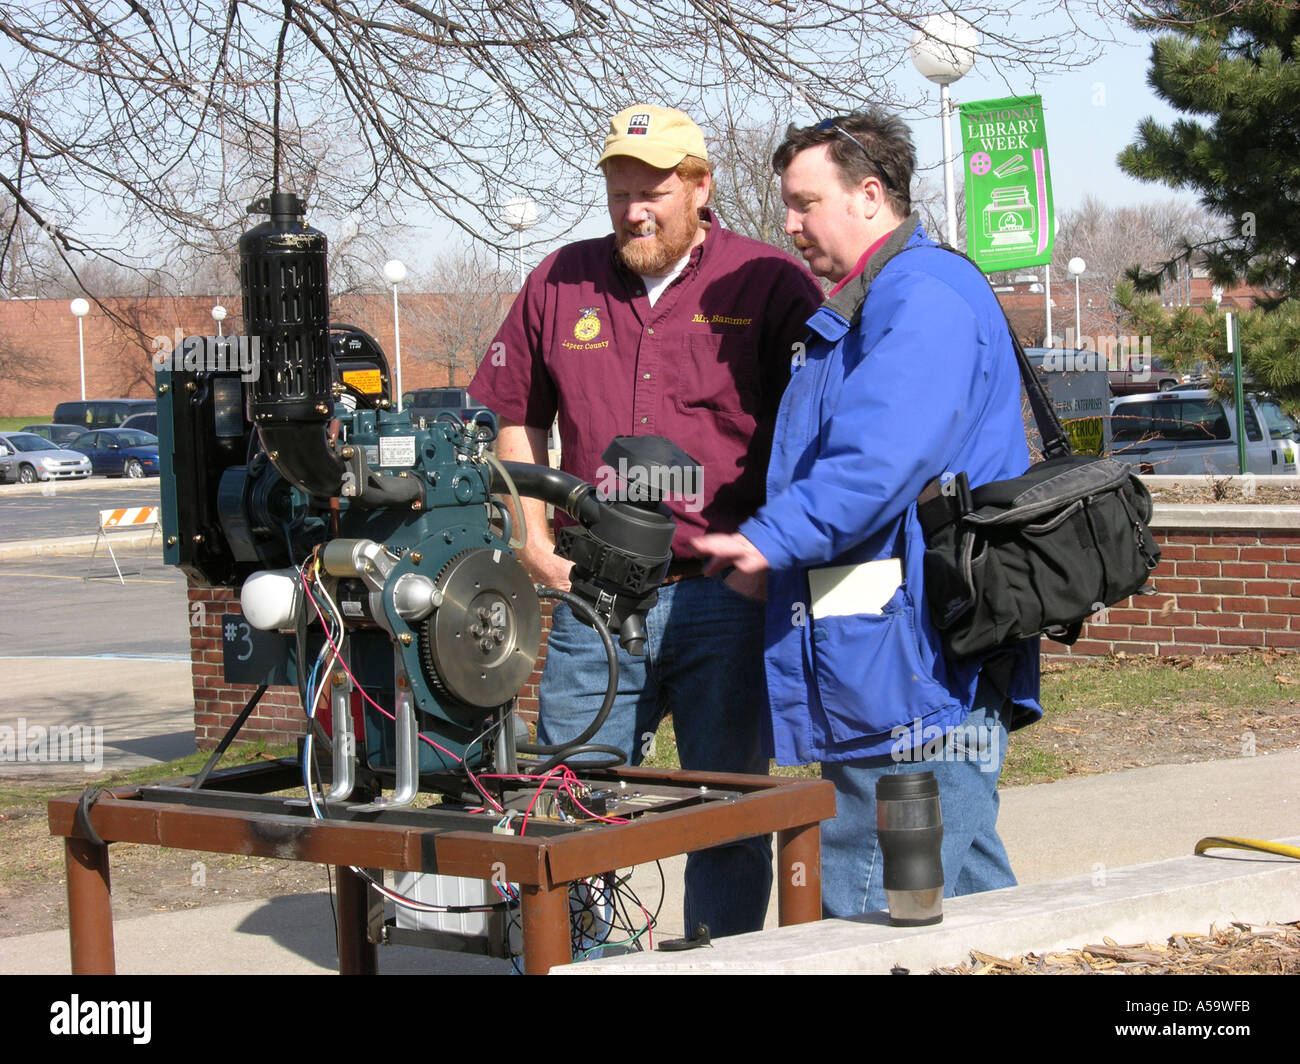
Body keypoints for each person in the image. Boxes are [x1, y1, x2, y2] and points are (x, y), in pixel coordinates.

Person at [468, 104, 823, 938]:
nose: (634, 210)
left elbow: (815, 425)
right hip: (593, 598)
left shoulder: (767, 282)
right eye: (619, 191)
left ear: (701, 186)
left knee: (725, 809)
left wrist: (776, 550)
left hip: (720, 597)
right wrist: (532, 540)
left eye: (653, 193)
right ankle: (578, 957)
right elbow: (513, 413)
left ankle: (715, 957)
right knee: (564, 800)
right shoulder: (559, 280)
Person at [693, 110, 1043, 918]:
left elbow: (878, 458)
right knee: (973, 892)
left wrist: (767, 542)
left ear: (870, 196)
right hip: (895, 650)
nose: (788, 225)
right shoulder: (877, 301)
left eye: (805, 203)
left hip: (914, 662)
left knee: (870, 897)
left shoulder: (919, 295)